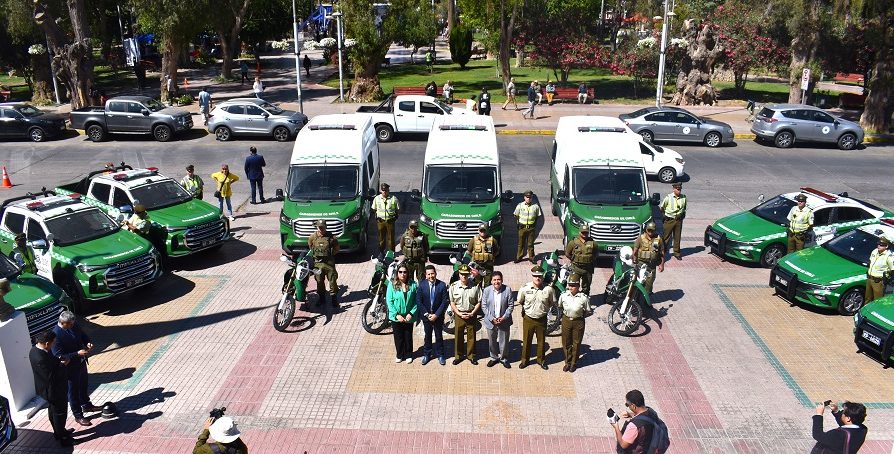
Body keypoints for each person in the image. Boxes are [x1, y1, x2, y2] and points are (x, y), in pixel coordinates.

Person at [52, 311, 101, 427]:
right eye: (70, 324)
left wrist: (87, 342)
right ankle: (78, 415)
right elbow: (58, 355)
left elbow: (82, 335)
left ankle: (86, 404)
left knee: (83, 384)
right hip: (70, 368)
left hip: (81, 362)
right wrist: (77, 354)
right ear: (63, 323)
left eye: (73, 324)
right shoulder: (56, 335)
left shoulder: (74, 325)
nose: (72, 326)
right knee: (72, 392)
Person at [29, 330, 74, 446]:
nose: (54, 344)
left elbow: (52, 363)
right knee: (59, 413)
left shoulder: (35, 350)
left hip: (49, 390)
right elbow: (51, 376)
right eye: (53, 342)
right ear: (47, 343)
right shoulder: (40, 357)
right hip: (53, 391)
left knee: (53, 411)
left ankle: (59, 432)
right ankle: (63, 437)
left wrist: (58, 360)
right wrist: (63, 365)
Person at [517, 266, 556, 370]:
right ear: (532, 276)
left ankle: (541, 360)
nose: (537, 278)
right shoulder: (525, 288)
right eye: (535, 276)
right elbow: (520, 301)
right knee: (526, 341)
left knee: (541, 341)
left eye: (539, 276)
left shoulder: (548, 290)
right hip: (528, 319)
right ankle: (525, 361)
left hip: (541, 319)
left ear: (542, 277)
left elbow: (552, 302)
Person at [610, 389, 664, 454]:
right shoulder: (651, 412)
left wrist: (616, 427)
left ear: (633, 406)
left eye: (627, 405)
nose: (628, 407)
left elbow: (623, 445)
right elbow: (644, 416)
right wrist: (630, 414)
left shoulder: (634, 426)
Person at [449, 264, 482, 365]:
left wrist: (472, 313)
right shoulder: (453, 286)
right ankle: (458, 356)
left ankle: (471, 355)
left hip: (471, 314)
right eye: (462, 274)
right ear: (459, 274)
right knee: (458, 335)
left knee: (471, 336)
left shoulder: (475, 286)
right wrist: (458, 313)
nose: (464, 276)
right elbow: (452, 302)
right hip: (459, 315)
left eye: (466, 274)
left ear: (469, 274)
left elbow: (479, 302)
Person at [481, 271, 514, 368]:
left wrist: (503, 318)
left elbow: (511, 306)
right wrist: (491, 318)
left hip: (504, 321)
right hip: (491, 321)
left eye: (498, 279)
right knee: (492, 341)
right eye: (494, 280)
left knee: (504, 341)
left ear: (502, 280)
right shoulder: (487, 290)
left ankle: (504, 358)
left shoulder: (507, 290)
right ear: (491, 281)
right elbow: (484, 306)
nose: (496, 282)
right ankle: (494, 357)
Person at [417, 265, 449, 365]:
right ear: (426, 275)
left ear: (436, 273)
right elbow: (418, 301)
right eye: (429, 274)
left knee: (439, 336)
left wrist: (436, 314)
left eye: (432, 273)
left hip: (437, 317)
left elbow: (444, 302)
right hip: (426, 316)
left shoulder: (442, 285)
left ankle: (440, 355)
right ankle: (427, 354)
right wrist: (426, 314)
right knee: (428, 336)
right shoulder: (422, 285)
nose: (431, 276)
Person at [387, 263, 418, 363]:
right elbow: (389, 301)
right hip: (397, 316)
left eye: (405, 272)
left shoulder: (413, 285)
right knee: (398, 337)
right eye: (400, 272)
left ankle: (409, 354)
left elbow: (416, 301)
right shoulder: (392, 285)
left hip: (409, 316)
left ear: (408, 273)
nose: (403, 274)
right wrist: (397, 315)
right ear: (397, 273)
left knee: (408, 336)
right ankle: (400, 354)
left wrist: (411, 313)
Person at [559, 274, 589, 372]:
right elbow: (560, 306)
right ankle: (567, 362)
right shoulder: (563, 295)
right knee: (566, 342)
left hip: (578, 321)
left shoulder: (583, 298)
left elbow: (588, 310)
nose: (570, 287)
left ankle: (573, 363)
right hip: (566, 320)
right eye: (569, 285)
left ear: (578, 286)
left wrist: (580, 316)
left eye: (573, 285)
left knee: (576, 343)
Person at [308, 220, 340, 306]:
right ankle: (322, 298)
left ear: (326, 227)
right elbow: (311, 247)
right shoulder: (312, 237)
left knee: (332, 280)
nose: (321, 229)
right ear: (317, 227)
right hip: (318, 264)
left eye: (323, 227)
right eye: (319, 227)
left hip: (329, 263)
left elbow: (337, 249)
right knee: (319, 281)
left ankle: (334, 298)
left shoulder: (332, 237)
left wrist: (330, 256)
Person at [565, 225, 598, 296]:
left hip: (588, 269)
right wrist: (574, 260)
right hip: (576, 268)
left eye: (586, 232)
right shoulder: (573, 242)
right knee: (573, 285)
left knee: (586, 287)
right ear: (579, 232)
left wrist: (589, 260)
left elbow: (595, 254)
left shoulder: (593, 243)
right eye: (583, 232)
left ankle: (584, 301)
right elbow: (567, 253)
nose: (584, 234)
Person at [633, 222, 665, 295]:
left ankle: (646, 300)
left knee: (649, 283)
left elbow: (662, 253)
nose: (650, 232)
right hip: (641, 264)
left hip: (651, 265)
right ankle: (636, 299)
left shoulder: (658, 239)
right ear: (646, 230)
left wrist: (662, 264)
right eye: (649, 230)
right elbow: (635, 251)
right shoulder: (640, 238)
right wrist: (634, 260)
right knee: (639, 282)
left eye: (652, 230)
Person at [659, 182, 687, 260]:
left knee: (677, 237)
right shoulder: (668, 197)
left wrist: (682, 215)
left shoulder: (684, 198)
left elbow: (684, 208)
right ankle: (662, 252)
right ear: (673, 189)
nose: (679, 191)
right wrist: (665, 216)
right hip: (669, 220)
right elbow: (662, 208)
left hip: (678, 220)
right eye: (677, 189)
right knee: (666, 238)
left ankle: (677, 252)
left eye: (680, 189)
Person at [513, 190, 541, 263]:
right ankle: (519, 257)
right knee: (520, 243)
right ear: (524, 197)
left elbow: (537, 216)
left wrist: (534, 224)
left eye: (530, 197)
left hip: (531, 228)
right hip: (522, 227)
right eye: (527, 197)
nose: (528, 199)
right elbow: (516, 215)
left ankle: (531, 257)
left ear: (532, 198)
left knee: (530, 244)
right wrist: (519, 223)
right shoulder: (520, 205)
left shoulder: (536, 206)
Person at [372, 183, 400, 254]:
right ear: (381, 190)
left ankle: (391, 254)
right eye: (383, 190)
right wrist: (377, 217)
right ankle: (381, 253)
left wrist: (395, 217)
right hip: (380, 222)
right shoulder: (377, 198)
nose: (384, 192)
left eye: (386, 190)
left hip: (390, 222)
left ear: (388, 190)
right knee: (381, 239)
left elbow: (398, 210)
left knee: (391, 239)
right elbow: (374, 209)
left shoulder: (393, 198)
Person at [866, 237, 893, 303]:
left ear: (886, 246)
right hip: (869, 279)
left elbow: (893, 269)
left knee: (877, 301)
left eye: (881, 244)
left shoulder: (889, 256)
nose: (879, 245)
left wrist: (887, 278)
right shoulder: (875, 251)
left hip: (878, 282)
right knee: (867, 299)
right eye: (878, 243)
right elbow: (871, 262)